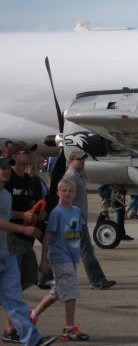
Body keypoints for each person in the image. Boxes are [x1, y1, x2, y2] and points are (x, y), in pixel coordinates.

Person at [0, 157, 58, 346]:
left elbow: (6, 225)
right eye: (1, 169)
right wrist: (23, 230)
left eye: (7, 168)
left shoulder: (7, 196)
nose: (5, 171)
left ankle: (33, 340)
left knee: (15, 300)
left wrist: (9, 247)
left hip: (6, 255)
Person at [31, 180, 90, 341]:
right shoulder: (56, 213)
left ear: (75, 194)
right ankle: (69, 328)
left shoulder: (76, 211)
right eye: (64, 190)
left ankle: (33, 314)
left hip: (71, 258)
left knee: (57, 291)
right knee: (71, 292)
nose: (67, 193)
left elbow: (79, 232)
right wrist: (44, 260)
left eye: (71, 191)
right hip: (59, 257)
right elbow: (48, 236)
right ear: (58, 193)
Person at [3, 142, 47, 342]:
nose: (30, 155)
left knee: (28, 280)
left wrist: (38, 214)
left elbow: (35, 204)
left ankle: (25, 334)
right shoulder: (6, 184)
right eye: (25, 152)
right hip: (12, 238)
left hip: (19, 241)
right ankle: (13, 328)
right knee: (12, 295)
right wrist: (23, 219)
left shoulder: (31, 181)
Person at [62, 151, 116, 291]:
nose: (83, 161)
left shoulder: (77, 176)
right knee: (86, 252)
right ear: (72, 160)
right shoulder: (71, 176)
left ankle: (45, 277)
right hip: (76, 221)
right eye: (80, 159)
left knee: (69, 252)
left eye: (84, 159)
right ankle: (98, 281)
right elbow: (65, 198)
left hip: (77, 220)